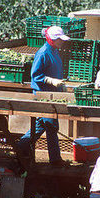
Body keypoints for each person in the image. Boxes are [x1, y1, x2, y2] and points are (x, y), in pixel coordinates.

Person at [17, 26, 69, 166]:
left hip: (52, 93)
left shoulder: (55, 51)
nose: (62, 42)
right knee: (51, 125)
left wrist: (60, 84)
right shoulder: (43, 53)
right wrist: (50, 80)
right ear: (52, 39)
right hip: (43, 94)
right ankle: (55, 159)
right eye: (59, 39)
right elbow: (35, 75)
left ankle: (21, 146)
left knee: (43, 124)